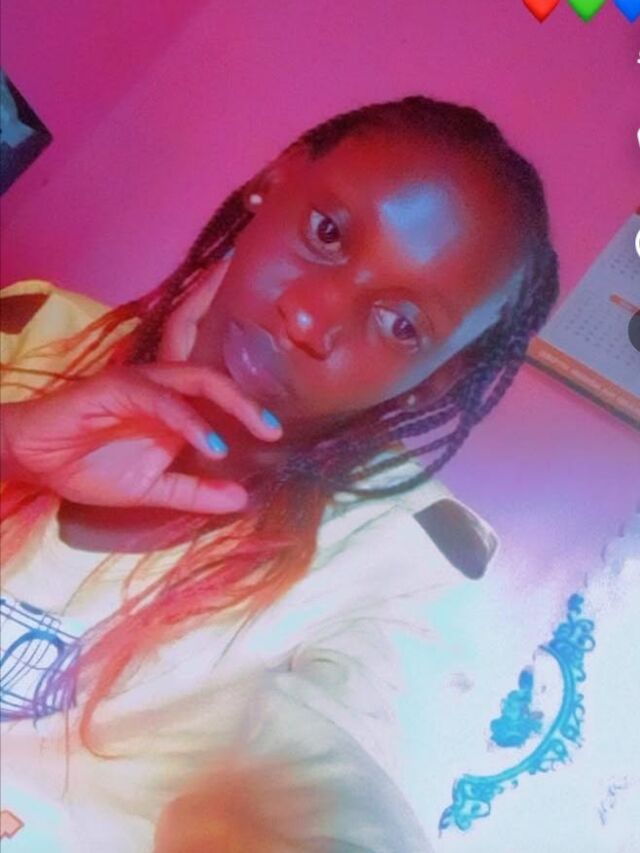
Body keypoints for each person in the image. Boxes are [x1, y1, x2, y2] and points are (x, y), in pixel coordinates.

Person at [0, 94, 558, 852]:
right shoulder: (35, 334)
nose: (311, 318)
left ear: (434, 378)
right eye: (327, 233)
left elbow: (340, 798)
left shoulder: (403, 570)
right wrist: (15, 445)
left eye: (401, 324)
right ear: (275, 180)